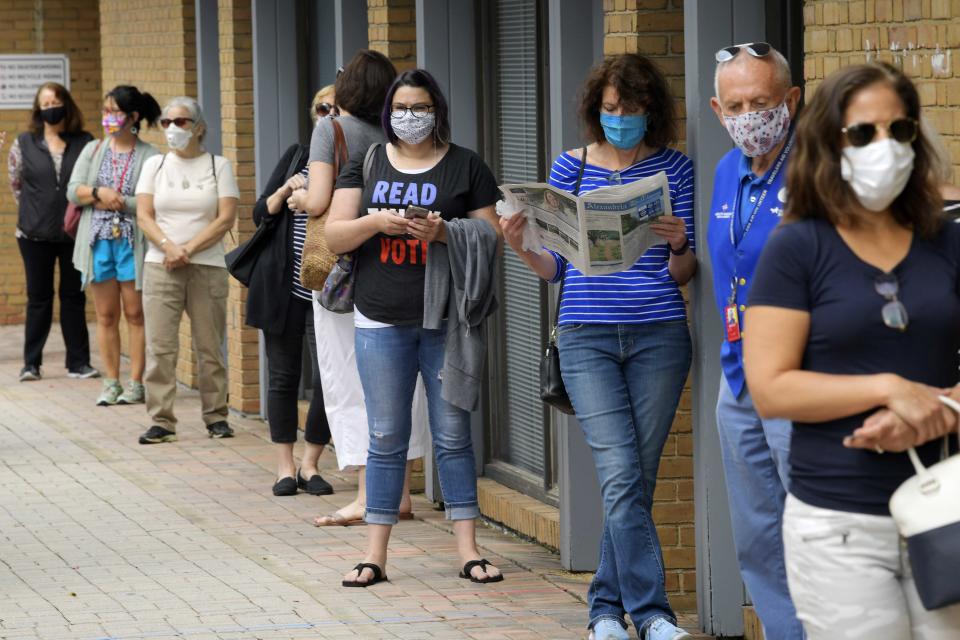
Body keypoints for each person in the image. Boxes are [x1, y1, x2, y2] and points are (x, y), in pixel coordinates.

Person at [744, 62, 960, 640]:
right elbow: (770, 388)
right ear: (829, 143)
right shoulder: (797, 249)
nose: (884, 147)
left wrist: (936, 412)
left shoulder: (948, 240)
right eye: (864, 133)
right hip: (838, 523)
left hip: (949, 509)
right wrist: (890, 389)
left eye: (901, 130)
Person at [500, 53, 695, 640]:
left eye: (631, 110)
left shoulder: (674, 170)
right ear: (596, 109)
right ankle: (654, 613)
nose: (619, 119)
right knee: (619, 473)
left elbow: (683, 273)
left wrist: (682, 241)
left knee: (638, 475)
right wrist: (519, 244)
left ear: (650, 111)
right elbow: (554, 268)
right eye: (610, 109)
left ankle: (607, 609)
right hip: (586, 337)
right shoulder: (572, 167)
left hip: (660, 334)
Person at [325, 68, 503, 586]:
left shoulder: (465, 165)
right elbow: (336, 234)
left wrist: (445, 230)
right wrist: (377, 223)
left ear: (437, 111)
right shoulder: (370, 159)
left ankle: (468, 549)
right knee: (385, 436)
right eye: (401, 108)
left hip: (446, 319)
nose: (410, 117)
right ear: (387, 113)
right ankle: (374, 554)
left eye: (420, 108)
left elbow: (491, 237)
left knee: (452, 434)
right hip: (380, 316)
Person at [704, 42, 805, 640]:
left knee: (815, 526)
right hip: (738, 378)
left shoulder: (818, 171)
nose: (750, 115)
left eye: (762, 102)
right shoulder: (724, 171)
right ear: (718, 109)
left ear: (790, 101)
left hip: (801, 378)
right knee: (758, 535)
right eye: (736, 104)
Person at [304, 51, 429, 526]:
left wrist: (298, 197)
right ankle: (397, 491)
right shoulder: (397, 137)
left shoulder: (331, 129)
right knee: (400, 384)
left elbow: (319, 199)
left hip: (344, 269)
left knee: (350, 379)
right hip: (396, 270)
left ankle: (366, 494)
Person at [247, 88, 338, 496]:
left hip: (331, 290)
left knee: (327, 379)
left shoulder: (353, 160)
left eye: (337, 108)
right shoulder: (297, 154)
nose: (329, 114)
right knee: (283, 376)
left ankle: (310, 463)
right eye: (322, 108)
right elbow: (258, 214)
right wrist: (286, 190)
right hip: (283, 287)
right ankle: (284, 467)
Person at [134, 97, 238, 445]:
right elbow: (144, 214)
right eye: (166, 122)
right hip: (160, 264)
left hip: (206, 265)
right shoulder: (155, 165)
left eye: (181, 121)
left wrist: (188, 250)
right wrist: (169, 247)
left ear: (199, 127)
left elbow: (226, 217)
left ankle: (216, 417)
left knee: (209, 346)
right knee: (160, 347)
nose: (173, 129)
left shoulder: (217, 165)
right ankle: (161, 420)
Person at [67, 85, 161, 406]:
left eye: (114, 111)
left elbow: (154, 201)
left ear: (133, 117)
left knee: (135, 314)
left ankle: (135, 382)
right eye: (105, 111)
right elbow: (72, 190)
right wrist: (97, 194)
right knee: (106, 315)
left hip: (133, 242)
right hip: (97, 242)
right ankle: (110, 381)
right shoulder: (94, 149)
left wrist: (122, 202)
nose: (108, 117)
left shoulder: (150, 156)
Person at [7, 82, 98, 382]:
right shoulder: (24, 142)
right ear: (38, 109)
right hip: (34, 234)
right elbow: (16, 185)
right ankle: (31, 364)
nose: (50, 109)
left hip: (74, 233)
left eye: (55, 102)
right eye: (44, 104)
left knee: (74, 297)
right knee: (39, 297)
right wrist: (39, 210)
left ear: (66, 105)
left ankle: (79, 363)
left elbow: (90, 182)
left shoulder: (86, 142)